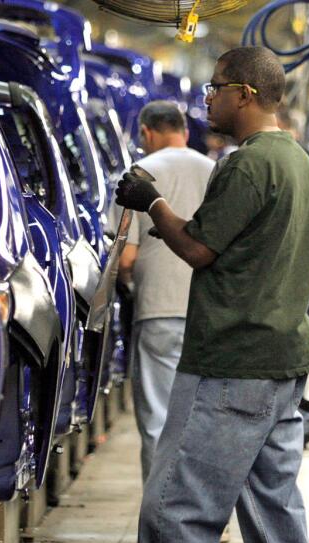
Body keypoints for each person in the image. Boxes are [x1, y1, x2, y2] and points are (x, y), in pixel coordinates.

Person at [99, 46, 309, 543]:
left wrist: (150, 201)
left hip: (231, 361)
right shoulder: (302, 164)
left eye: (217, 88)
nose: (208, 98)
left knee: (174, 499)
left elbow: (199, 249)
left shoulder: (246, 165)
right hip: (281, 359)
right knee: (271, 503)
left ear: (246, 95)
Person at [119, 101, 215, 484]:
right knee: (203, 423)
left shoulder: (140, 174)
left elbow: (126, 257)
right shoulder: (215, 171)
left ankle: (161, 521)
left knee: (159, 420)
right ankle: (205, 516)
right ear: (185, 132)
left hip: (158, 308)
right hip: (208, 313)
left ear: (146, 133)